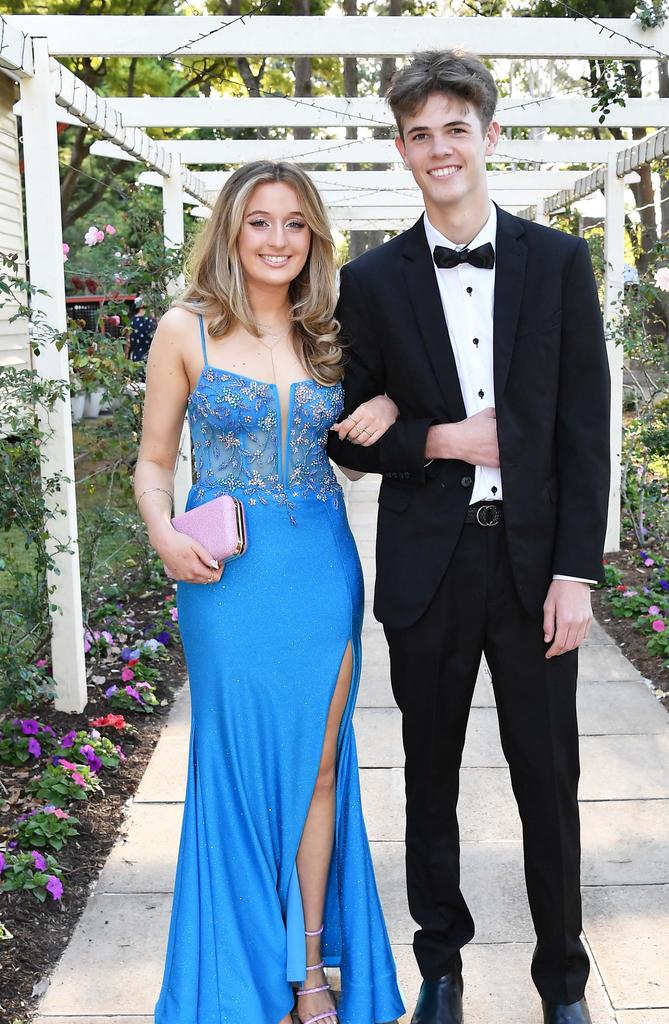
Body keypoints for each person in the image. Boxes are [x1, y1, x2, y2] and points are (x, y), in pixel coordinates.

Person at [326, 50, 611, 1024]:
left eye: (457, 128)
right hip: (429, 566)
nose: (439, 148)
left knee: (547, 780)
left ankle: (562, 983)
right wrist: (441, 435)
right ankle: (439, 969)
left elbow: (585, 429)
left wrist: (578, 568)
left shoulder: (559, 262)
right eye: (420, 133)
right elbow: (345, 428)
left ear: (490, 136)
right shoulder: (369, 282)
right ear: (402, 150)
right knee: (430, 776)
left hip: (536, 569)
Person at [134, 160, 405, 1024]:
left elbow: (406, 398)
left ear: (314, 237)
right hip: (226, 582)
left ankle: (314, 967)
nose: (278, 239)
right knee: (239, 769)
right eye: (260, 221)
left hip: (320, 569)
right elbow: (151, 463)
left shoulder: (333, 333)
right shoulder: (185, 329)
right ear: (231, 230)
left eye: (295, 223)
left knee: (320, 766)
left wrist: (394, 403)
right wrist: (165, 536)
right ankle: (237, 976)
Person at [125, 298, 157, 362]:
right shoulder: (153, 322)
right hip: (152, 358)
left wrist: (125, 358)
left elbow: (128, 344)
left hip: (136, 358)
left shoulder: (131, 322)